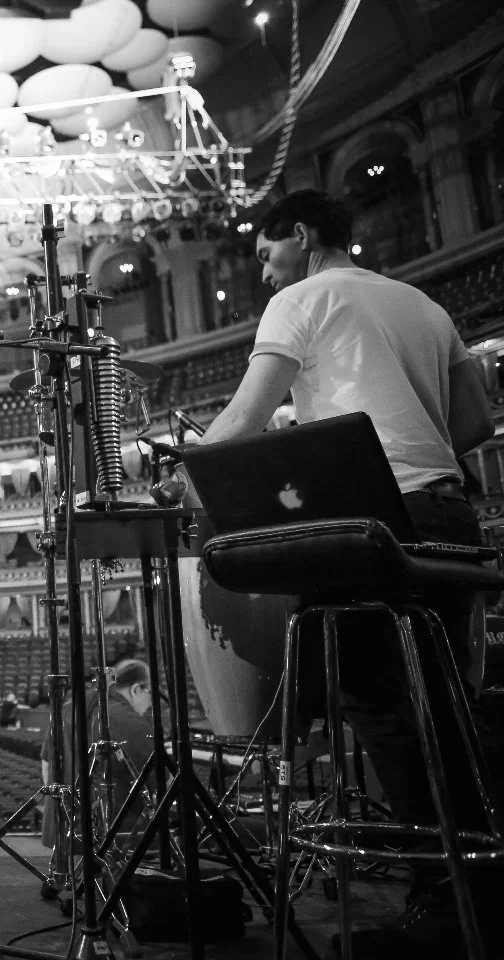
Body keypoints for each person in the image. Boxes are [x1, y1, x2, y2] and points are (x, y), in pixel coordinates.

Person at [194, 190, 498, 958]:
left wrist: (185, 475)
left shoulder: (302, 298)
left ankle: (441, 901)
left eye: (266, 255)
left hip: (374, 518)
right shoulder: (423, 305)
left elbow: (244, 418)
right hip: (450, 517)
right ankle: (482, 884)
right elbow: (474, 426)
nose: (263, 273)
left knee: (379, 700)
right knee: (446, 701)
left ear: (301, 237)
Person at [41, 659, 157, 849]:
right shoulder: (129, 720)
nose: (151, 703)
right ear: (136, 689)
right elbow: (157, 780)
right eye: (150, 693)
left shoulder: (70, 708)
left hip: (63, 833)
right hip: (112, 838)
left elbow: (47, 765)